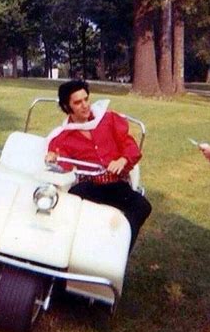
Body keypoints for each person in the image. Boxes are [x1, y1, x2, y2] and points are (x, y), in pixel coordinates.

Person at [45, 80, 152, 250]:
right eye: (78, 102)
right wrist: (54, 157)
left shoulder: (108, 119)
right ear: (67, 107)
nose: (85, 105)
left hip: (115, 183)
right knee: (71, 201)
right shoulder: (63, 136)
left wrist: (123, 160)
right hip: (89, 185)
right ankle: (70, 249)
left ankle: (120, 251)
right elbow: (62, 163)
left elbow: (130, 146)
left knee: (142, 206)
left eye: (86, 99)